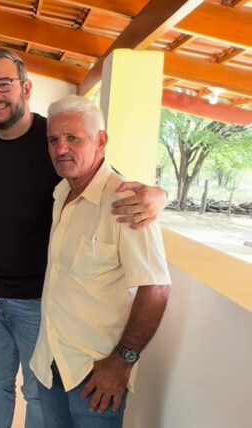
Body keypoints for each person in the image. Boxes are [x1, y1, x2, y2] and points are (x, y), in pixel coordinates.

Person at [0, 49, 168, 428]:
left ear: (26, 88)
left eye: (3, 84)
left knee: (37, 393)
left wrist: (161, 195)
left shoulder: (51, 137)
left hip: (39, 301)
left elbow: (110, 180)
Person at [29, 95, 171, 427]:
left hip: (96, 377)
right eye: (53, 139)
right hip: (51, 362)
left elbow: (156, 288)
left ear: (101, 141)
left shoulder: (126, 202)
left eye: (73, 138)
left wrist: (122, 363)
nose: (61, 148)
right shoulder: (61, 194)